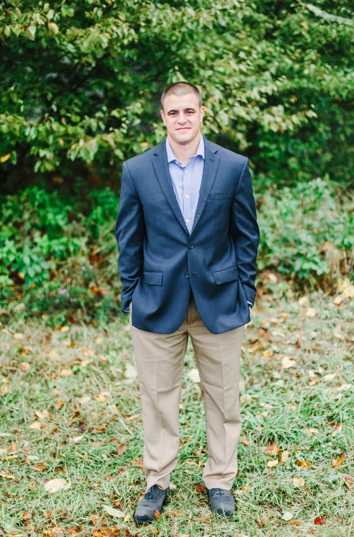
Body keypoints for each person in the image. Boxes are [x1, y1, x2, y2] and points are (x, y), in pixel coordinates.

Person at [115, 81, 259, 524]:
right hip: (157, 302)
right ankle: (157, 481)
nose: (182, 119)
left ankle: (220, 480)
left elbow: (246, 235)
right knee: (157, 397)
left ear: (202, 113)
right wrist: (131, 294)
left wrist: (245, 292)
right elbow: (128, 237)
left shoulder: (233, 166)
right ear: (163, 116)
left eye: (189, 111)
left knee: (222, 397)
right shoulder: (138, 170)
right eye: (173, 112)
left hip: (220, 301)